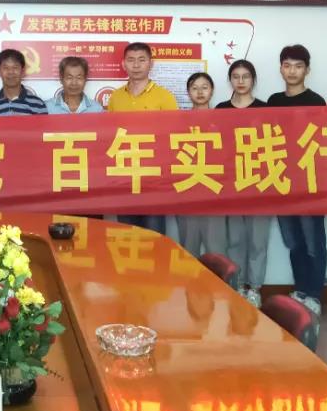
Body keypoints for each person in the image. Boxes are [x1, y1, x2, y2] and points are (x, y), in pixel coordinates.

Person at [266, 45, 327, 317]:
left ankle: (314, 294)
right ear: (281, 69)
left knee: (314, 242)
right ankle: (301, 289)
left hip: (310, 184)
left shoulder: (317, 101)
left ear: (307, 70)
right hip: (282, 182)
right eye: (287, 65)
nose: (292, 71)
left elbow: (326, 140)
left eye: (298, 66)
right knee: (293, 242)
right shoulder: (273, 101)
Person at [106, 42, 179, 233]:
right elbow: (110, 136)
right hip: (124, 177)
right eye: (131, 60)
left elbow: (173, 137)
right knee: (126, 235)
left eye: (141, 60)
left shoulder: (165, 97)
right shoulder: (116, 97)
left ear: (150, 64)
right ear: (123, 64)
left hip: (153, 178)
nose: (136, 65)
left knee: (154, 236)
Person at [216, 60, 270, 308]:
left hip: (260, 182)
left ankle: (255, 288)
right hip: (232, 183)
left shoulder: (265, 109)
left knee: (258, 239)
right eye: (235, 76)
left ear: (253, 80)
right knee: (235, 239)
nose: (240, 81)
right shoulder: (221, 109)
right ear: (230, 80)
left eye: (245, 76)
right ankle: (237, 285)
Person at [176, 72, 227, 256]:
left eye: (204, 87)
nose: (199, 92)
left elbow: (228, 155)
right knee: (189, 248)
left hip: (214, 191)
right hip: (188, 190)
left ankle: (217, 278)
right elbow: (174, 155)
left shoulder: (223, 119)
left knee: (216, 248)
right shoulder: (178, 121)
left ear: (212, 90)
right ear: (188, 92)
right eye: (194, 88)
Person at [0, 49, 47, 117]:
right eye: (6, 68)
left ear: (22, 71)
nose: (11, 72)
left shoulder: (38, 105)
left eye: (15, 67)